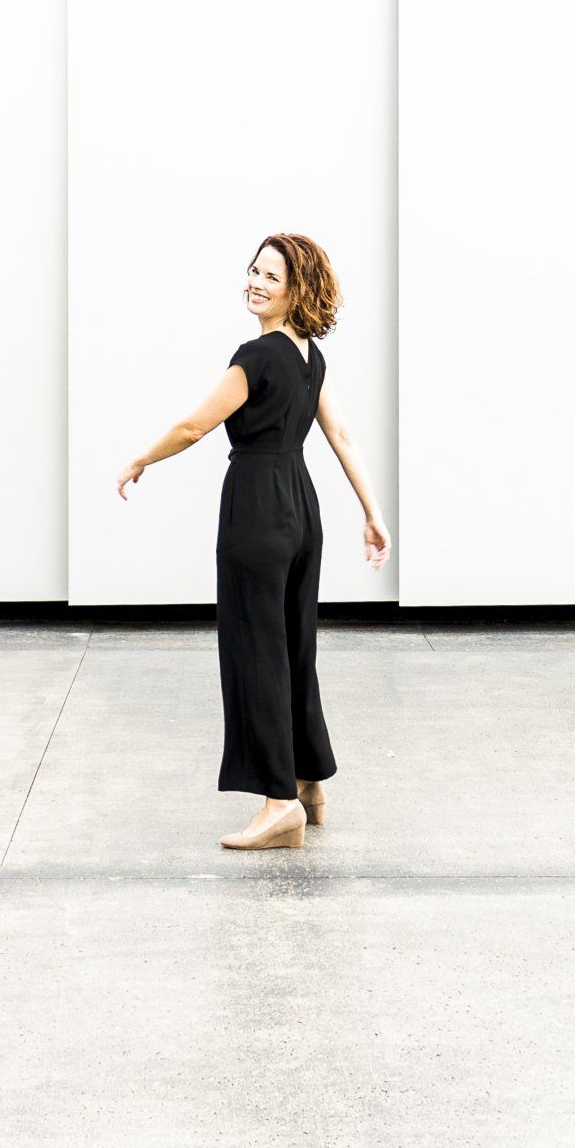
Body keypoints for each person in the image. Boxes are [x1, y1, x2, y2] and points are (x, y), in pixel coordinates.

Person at [116, 233, 390, 851]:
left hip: (258, 508)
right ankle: (309, 782)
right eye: (253, 270)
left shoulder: (258, 354)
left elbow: (194, 426)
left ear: (297, 288)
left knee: (257, 652)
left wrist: (142, 458)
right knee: (293, 648)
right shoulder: (309, 356)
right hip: (301, 506)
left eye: (271, 275)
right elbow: (340, 433)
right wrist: (372, 512)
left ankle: (277, 805)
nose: (256, 282)